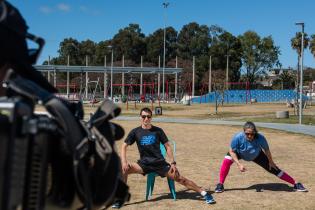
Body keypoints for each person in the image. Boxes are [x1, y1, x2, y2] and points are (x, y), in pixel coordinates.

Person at [112, 107, 216, 208]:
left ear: (151, 117)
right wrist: (124, 161)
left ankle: (204, 193)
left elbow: (167, 147)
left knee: (181, 179)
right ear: (140, 117)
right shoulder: (135, 132)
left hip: (159, 164)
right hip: (144, 164)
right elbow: (124, 145)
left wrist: (173, 163)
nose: (146, 119)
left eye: (148, 116)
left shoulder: (158, 131)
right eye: (144, 116)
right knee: (123, 169)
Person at [214, 121, 308, 193]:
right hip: (239, 153)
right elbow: (231, 151)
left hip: (256, 155)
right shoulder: (238, 137)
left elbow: (266, 150)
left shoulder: (260, 138)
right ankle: (220, 184)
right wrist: (238, 164)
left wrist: (271, 161)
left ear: (255, 132)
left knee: (274, 169)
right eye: (247, 134)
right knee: (227, 160)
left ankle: (296, 184)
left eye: (252, 134)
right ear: (244, 132)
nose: (250, 136)